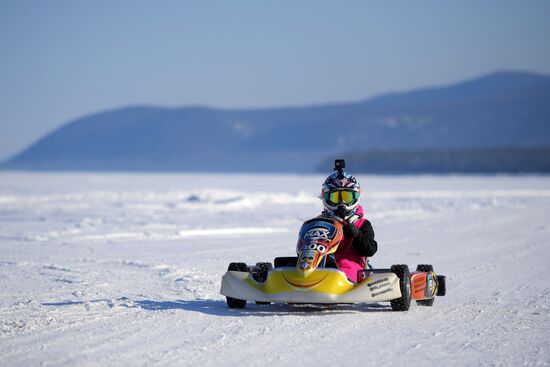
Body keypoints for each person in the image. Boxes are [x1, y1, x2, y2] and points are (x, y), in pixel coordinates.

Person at [319, 160, 377, 283]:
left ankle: (340, 285)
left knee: (344, 265)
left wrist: (356, 234)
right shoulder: (320, 222)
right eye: (335, 197)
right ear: (326, 197)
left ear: (356, 196)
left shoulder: (362, 224)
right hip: (323, 263)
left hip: (353, 266)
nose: (341, 203)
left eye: (346, 197)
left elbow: (370, 250)